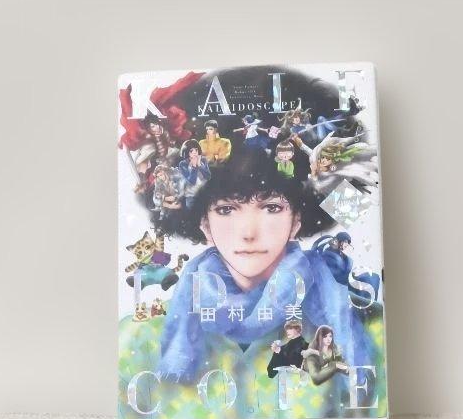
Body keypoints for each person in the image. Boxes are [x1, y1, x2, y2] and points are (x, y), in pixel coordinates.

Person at [156, 150, 374, 392]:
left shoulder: (347, 309)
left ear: (296, 222)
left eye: (271, 207)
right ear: (205, 226)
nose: (249, 233)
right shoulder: (148, 329)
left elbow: (368, 208)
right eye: (226, 210)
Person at [176, 140, 210, 207]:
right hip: (191, 195)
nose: (195, 153)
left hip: (204, 193)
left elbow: (208, 176)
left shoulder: (203, 160)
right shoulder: (183, 164)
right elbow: (191, 181)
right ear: (186, 152)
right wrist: (194, 167)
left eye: (196, 150)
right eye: (191, 151)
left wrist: (200, 165)